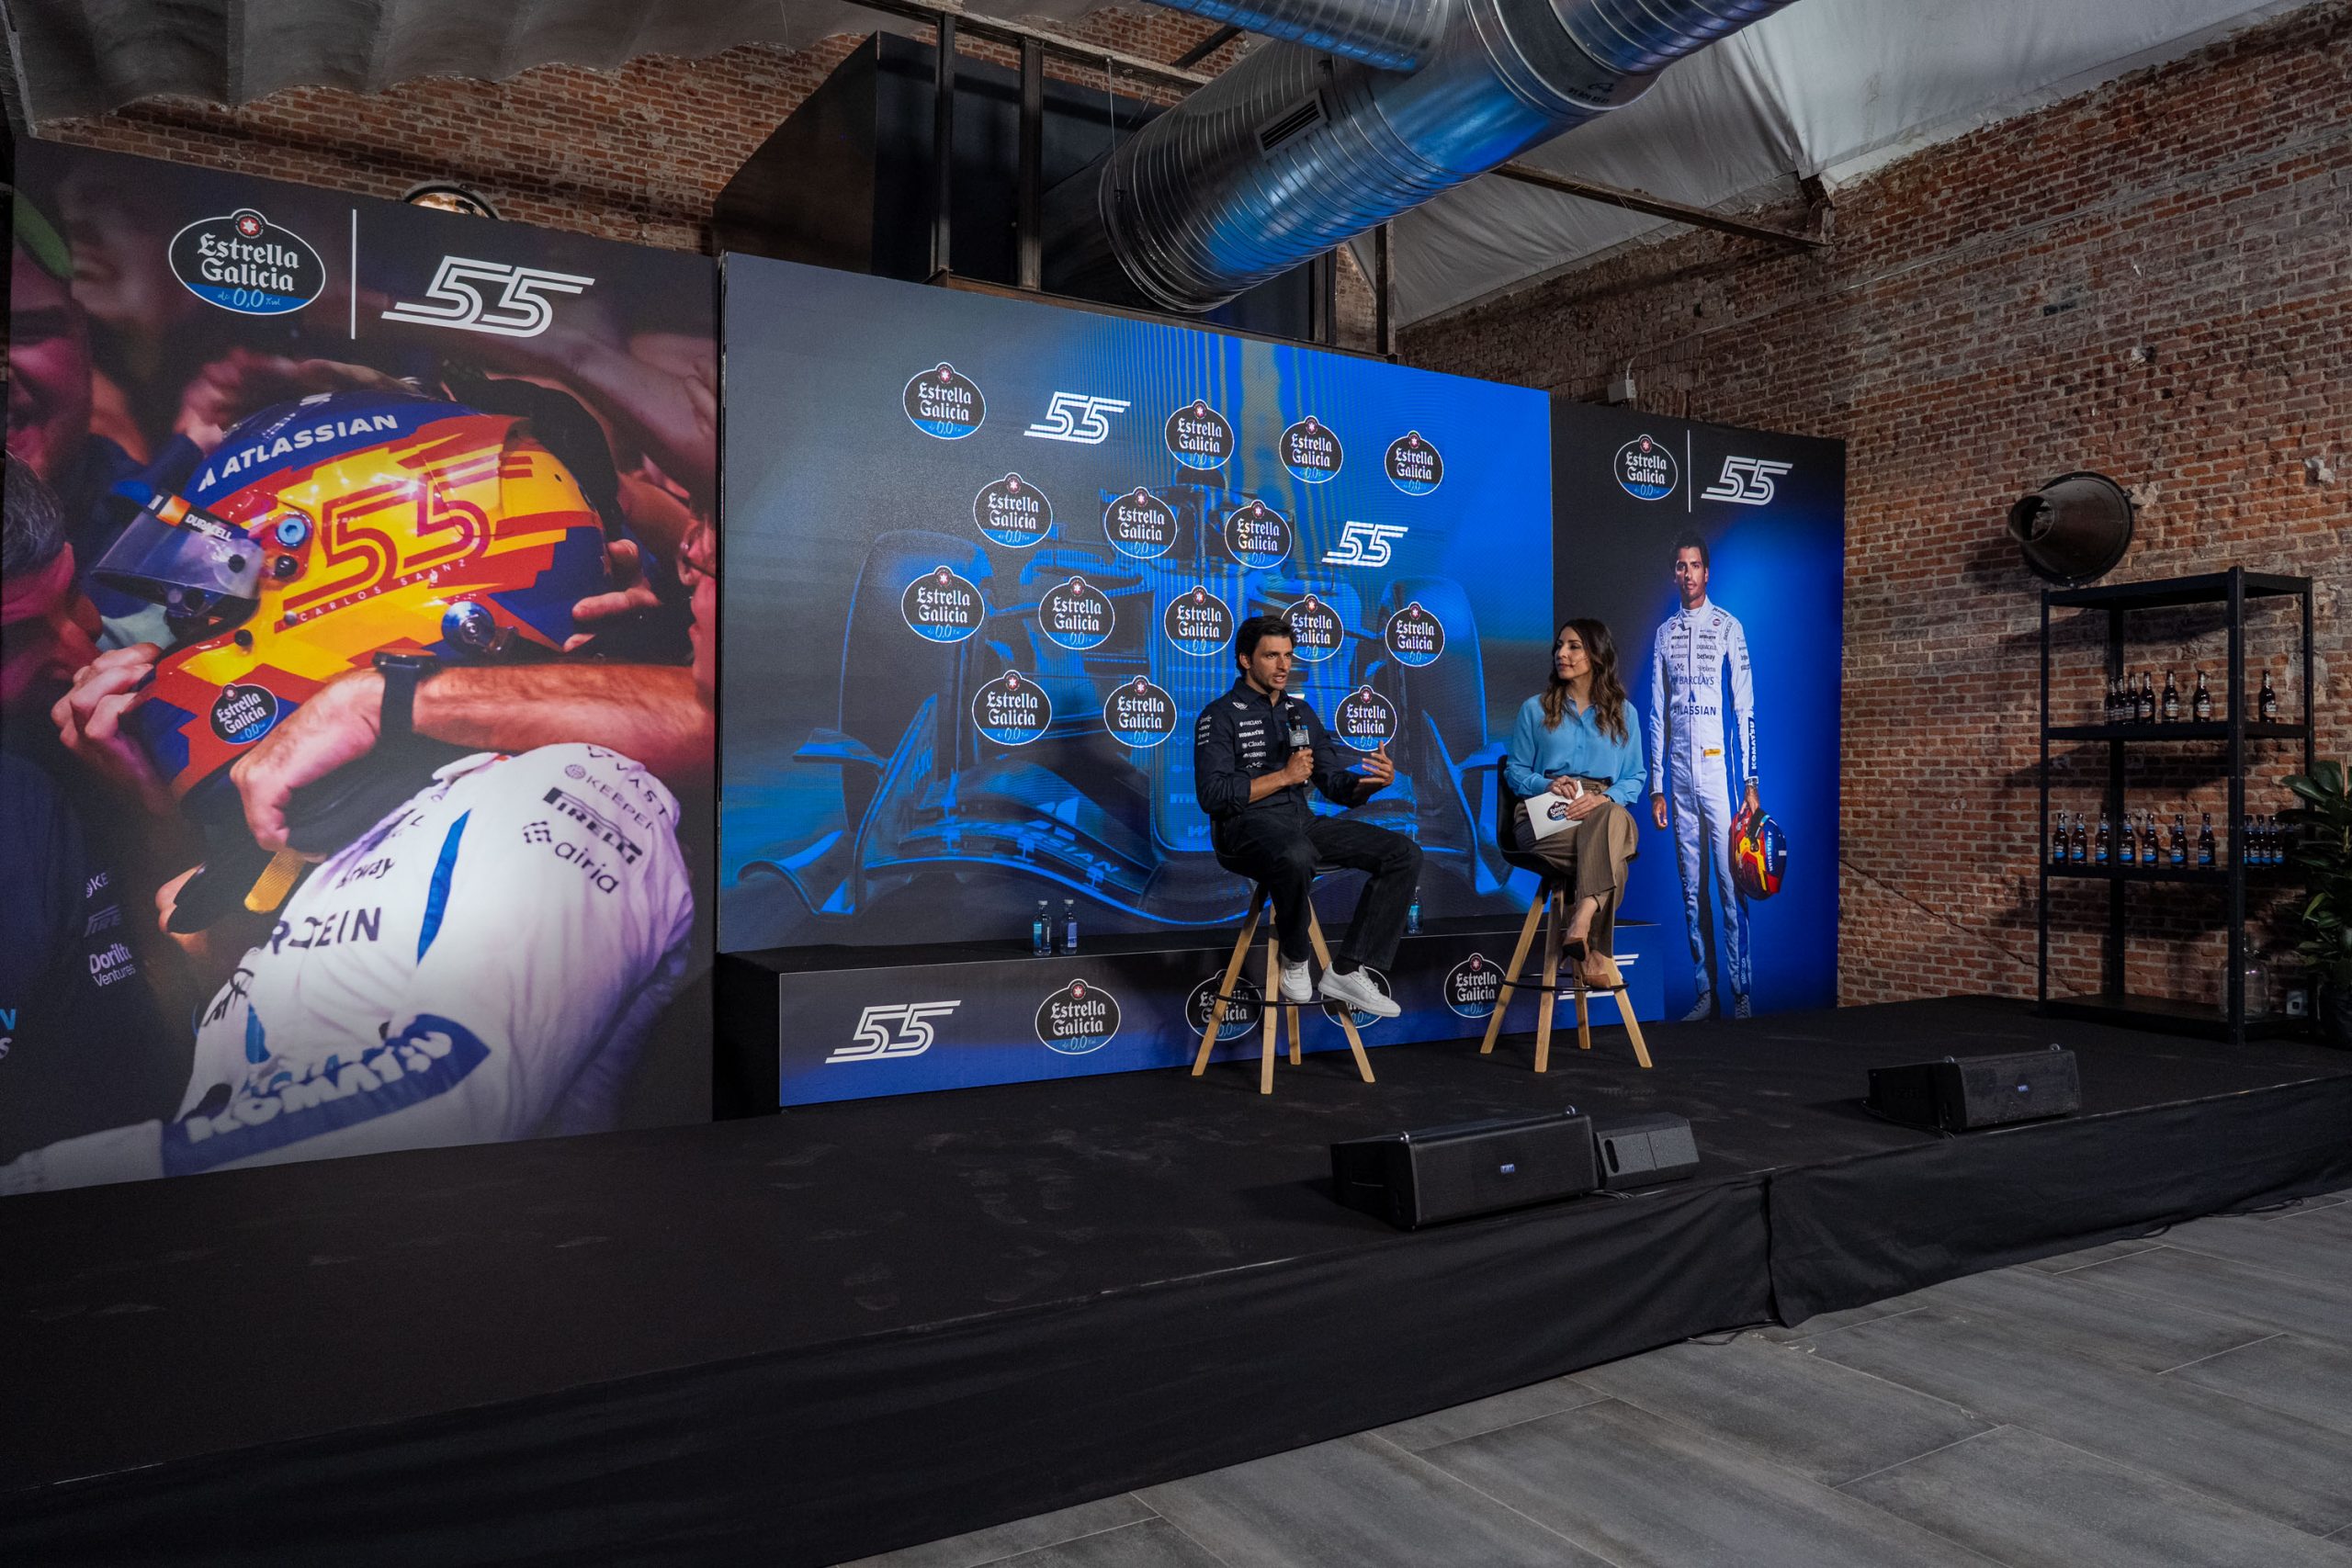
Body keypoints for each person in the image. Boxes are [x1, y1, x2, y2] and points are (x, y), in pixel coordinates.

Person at [2, 387, 698, 1194]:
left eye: (208, 611)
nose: (164, 645)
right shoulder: (330, 840)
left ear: (363, 578)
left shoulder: (562, 790)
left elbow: (439, 1102)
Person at [1192, 615, 1417, 1019]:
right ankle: (1296, 957)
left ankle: (1347, 969)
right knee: (1297, 853)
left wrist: (1372, 783)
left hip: (1300, 821)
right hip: (1242, 829)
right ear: (1245, 659)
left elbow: (1334, 784)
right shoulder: (1220, 715)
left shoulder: (1300, 712)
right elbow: (1213, 796)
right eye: (1271, 656)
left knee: (1403, 853)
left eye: (1288, 656)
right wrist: (1283, 777)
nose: (1283, 666)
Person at [1647, 532, 1758, 1021]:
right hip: (1678, 777)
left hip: (1719, 776)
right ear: (1674, 572)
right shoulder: (1664, 634)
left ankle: (1741, 992)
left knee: (1731, 888)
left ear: (1707, 573)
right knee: (1692, 894)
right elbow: (1657, 714)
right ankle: (1705, 992)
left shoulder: (1729, 626)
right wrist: (1657, 786)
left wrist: (1751, 782)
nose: (1688, 573)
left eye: (1695, 565)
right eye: (1681, 565)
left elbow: (1744, 708)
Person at [1502, 619, 1644, 991]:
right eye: (1559, 646)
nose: (1561, 654)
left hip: (1600, 807)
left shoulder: (1625, 714)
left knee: (1613, 815)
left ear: (1596, 655)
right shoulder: (1534, 709)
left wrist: (1602, 798)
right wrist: (1546, 783)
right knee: (1617, 851)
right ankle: (1594, 945)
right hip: (1547, 807)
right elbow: (1515, 771)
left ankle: (1581, 921)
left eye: (1573, 646)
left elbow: (1634, 778)